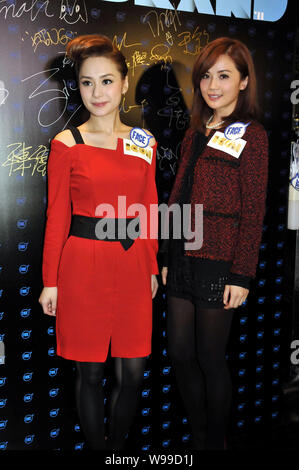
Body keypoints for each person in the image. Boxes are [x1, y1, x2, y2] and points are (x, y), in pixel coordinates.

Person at [39, 34, 159, 451]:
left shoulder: (144, 143)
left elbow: (148, 210)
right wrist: (50, 282)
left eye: (107, 81)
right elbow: (57, 218)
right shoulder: (66, 143)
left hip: (131, 265)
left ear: (124, 83)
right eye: (87, 83)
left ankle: (117, 449)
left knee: (133, 372)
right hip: (82, 265)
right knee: (89, 373)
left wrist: (151, 266)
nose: (97, 92)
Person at [161, 37, 268, 450]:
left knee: (209, 358)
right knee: (179, 354)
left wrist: (241, 274)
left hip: (219, 261)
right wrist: (169, 255)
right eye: (206, 75)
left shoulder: (252, 136)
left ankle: (215, 443)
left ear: (243, 82)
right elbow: (180, 198)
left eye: (224, 75)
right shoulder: (194, 133)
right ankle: (199, 434)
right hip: (182, 258)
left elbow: (254, 209)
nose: (213, 85)